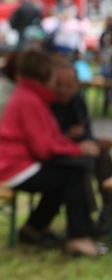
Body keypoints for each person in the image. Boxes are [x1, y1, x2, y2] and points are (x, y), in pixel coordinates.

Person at [0, 49, 102, 256]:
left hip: (18, 165)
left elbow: (48, 140)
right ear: (46, 75)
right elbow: (43, 148)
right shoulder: (30, 99)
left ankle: (33, 228)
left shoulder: (30, 96)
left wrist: (74, 148)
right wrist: (77, 149)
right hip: (14, 168)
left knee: (70, 171)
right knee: (73, 174)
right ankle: (79, 236)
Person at [50, 57, 112, 235]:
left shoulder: (78, 100)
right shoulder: (47, 104)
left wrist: (96, 142)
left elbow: (87, 131)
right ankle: (86, 218)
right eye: (59, 84)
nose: (62, 90)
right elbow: (47, 141)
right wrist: (69, 137)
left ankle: (108, 209)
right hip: (58, 155)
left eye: (68, 85)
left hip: (79, 148)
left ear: (76, 85)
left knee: (103, 155)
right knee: (82, 165)